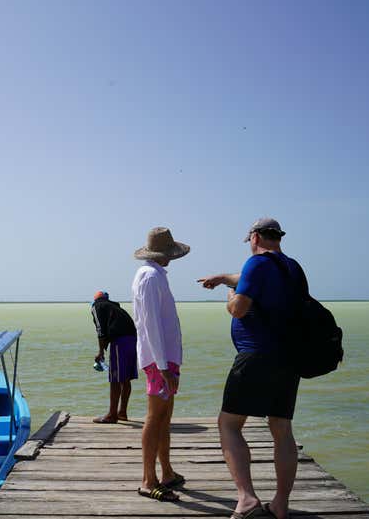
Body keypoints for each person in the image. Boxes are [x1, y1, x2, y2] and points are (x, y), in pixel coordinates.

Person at [198, 218, 307, 519]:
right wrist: (224, 277)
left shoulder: (256, 264)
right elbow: (253, 278)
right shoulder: (292, 267)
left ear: (255, 237)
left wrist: (230, 297)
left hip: (255, 357)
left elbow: (239, 309)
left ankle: (247, 499)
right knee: (282, 429)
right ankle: (280, 505)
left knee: (229, 424)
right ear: (278, 237)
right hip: (289, 358)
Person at [132, 227, 190, 502]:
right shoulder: (150, 277)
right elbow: (150, 324)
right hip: (159, 361)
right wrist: (163, 367)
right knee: (155, 417)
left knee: (165, 417)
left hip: (165, 358)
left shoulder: (156, 275)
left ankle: (166, 472)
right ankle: (148, 479)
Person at [90, 290, 139, 423]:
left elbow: (100, 331)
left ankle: (112, 415)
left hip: (120, 341)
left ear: (95, 300)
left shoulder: (97, 306)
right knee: (125, 378)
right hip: (133, 339)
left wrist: (101, 352)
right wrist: (103, 349)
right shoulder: (115, 308)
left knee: (115, 378)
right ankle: (122, 412)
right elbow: (110, 328)